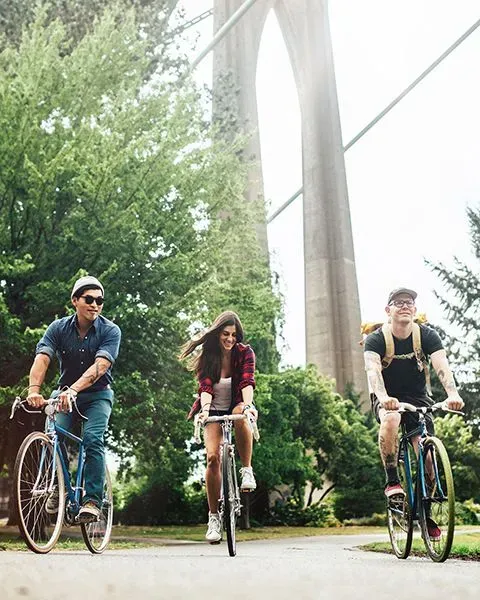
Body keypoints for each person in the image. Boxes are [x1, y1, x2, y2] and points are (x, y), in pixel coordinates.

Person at [363, 287, 464, 540]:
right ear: (388, 311)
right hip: (387, 398)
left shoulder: (427, 336)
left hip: (419, 400)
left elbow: (442, 366)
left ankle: (424, 512)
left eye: (409, 302)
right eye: (398, 302)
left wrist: (452, 394)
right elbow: (373, 372)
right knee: (392, 418)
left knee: (428, 456)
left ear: (415, 310)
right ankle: (392, 482)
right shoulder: (376, 339)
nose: (405, 306)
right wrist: (385, 398)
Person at [26, 275, 121, 523]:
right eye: (89, 299)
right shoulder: (57, 328)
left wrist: (74, 390)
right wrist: (34, 390)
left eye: (100, 300)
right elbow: (43, 358)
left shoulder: (111, 331)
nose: (95, 305)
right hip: (64, 393)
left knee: (91, 439)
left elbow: (100, 366)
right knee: (52, 435)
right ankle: (59, 486)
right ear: (75, 301)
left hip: (98, 395)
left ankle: (92, 501)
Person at [180, 311, 258, 543]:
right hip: (212, 409)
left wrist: (248, 405)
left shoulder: (245, 353)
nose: (230, 339)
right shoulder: (208, 356)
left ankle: (246, 469)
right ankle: (214, 517)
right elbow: (205, 386)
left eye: (234, 335)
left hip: (236, 404)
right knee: (213, 457)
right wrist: (204, 411)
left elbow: (246, 381)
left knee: (242, 416)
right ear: (217, 334)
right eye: (225, 334)